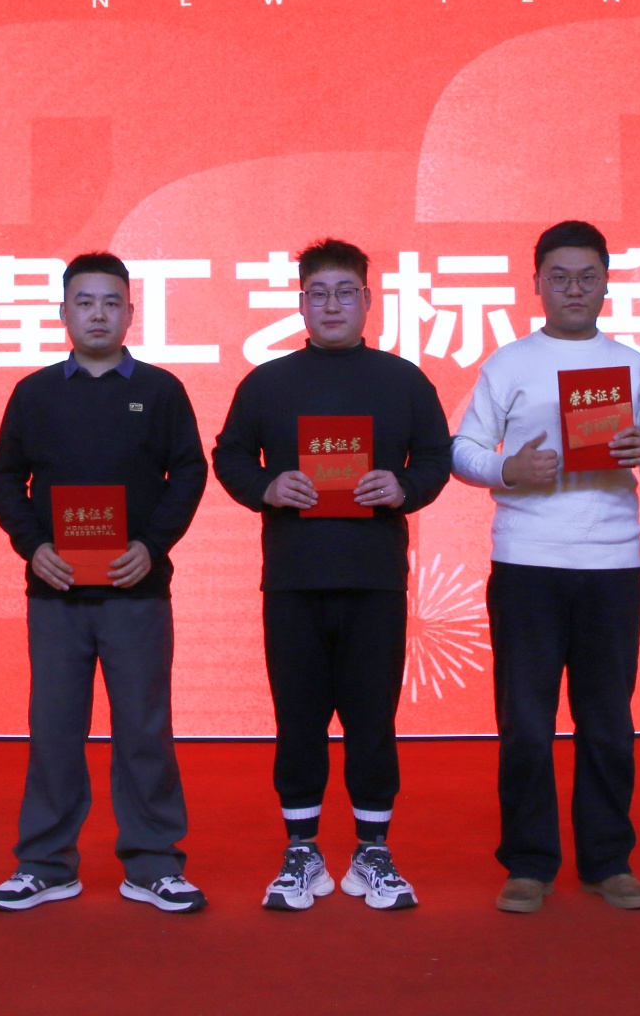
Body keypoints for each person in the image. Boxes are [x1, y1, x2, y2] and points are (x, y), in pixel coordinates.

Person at [452, 220, 640, 915]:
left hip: (611, 563)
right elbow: (463, 450)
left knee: (607, 720)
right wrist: (509, 469)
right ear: (537, 285)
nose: (574, 289)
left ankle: (608, 861)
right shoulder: (509, 364)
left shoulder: (630, 365)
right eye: (560, 277)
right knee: (526, 722)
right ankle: (529, 864)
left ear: (607, 284)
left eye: (587, 277)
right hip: (526, 562)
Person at [213, 238, 453, 912]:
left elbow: (436, 457)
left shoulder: (403, 380)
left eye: (345, 292)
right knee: (298, 721)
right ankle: (302, 852)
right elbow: (229, 456)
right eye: (318, 293)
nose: (332, 305)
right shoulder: (268, 383)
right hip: (293, 580)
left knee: (373, 721)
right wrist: (267, 486)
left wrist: (403, 487)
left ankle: (373, 852)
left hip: (375, 579)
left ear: (368, 300)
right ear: (301, 303)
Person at [0, 252, 210, 913]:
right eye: (85, 302)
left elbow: (189, 473)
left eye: (112, 302)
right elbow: (4, 477)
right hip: (56, 594)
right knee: (54, 729)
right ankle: (45, 864)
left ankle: (154, 863)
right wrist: (33, 548)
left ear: (130, 313)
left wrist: (151, 546)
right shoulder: (34, 393)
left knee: (144, 729)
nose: (98, 314)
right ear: (63, 312)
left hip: (136, 590)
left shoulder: (161, 391)